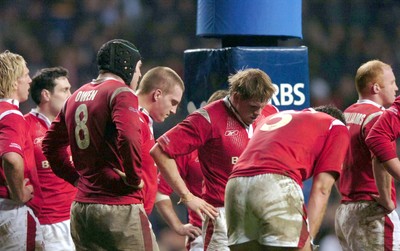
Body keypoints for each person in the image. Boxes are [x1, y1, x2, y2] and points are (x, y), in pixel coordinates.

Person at [42, 39, 159, 250]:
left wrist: (76, 179)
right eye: (138, 67)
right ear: (127, 65)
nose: (139, 75)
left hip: (82, 209)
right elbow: (130, 137)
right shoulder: (121, 93)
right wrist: (133, 178)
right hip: (118, 208)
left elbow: (49, 145)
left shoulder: (75, 96)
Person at [150, 68, 277, 250]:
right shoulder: (207, 118)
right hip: (222, 216)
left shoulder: (270, 113)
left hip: (260, 212)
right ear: (236, 97)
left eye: (261, 106)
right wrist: (187, 197)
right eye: (253, 107)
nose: (258, 112)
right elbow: (159, 151)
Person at [225, 105, 350, 251]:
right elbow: (322, 188)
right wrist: (309, 240)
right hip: (274, 183)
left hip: (235, 185)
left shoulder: (275, 118)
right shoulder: (337, 125)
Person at [335, 60, 400, 250]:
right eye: (392, 82)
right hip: (372, 211)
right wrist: (386, 198)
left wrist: (347, 195)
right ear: (376, 87)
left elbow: (335, 164)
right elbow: (379, 157)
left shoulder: (344, 116)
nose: (396, 88)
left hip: (346, 211)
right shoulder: (379, 117)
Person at [155, 89, 229, 251]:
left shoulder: (247, 142)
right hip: (201, 234)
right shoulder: (188, 150)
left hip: (241, 232)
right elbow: (160, 191)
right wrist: (178, 226)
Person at [24, 66, 77, 250]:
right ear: (46, 95)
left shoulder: (74, 126)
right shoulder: (25, 127)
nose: (71, 95)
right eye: (64, 90)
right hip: (48, 224)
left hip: (77, 219)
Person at [0, 50, 44, 250]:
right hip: (10, 211)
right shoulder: (11, 116)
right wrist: (19, 193)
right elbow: (11, 159)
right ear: (14, 81)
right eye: (26, 75)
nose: (30, 80)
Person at [134, 66, 185, 215]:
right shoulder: (130, 118)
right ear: (157, 94)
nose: (174, 111)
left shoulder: (143, 120)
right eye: (173, 102)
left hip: (137, 212)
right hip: (128, 212)